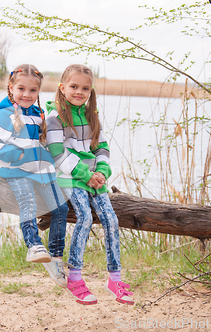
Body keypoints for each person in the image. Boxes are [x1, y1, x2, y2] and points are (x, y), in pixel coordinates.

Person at [45, 64, 134, 305]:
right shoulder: (55, 117)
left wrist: (102, 170)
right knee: (84, 217)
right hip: (71, 176)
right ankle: (75, 277)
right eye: (74, 87)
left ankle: (114, 279)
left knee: (111, 220)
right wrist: (86, 174)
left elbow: (101, 147)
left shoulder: (90, 115)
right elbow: (57, 153)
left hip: (94, 178)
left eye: (85, 88)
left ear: (91, 91)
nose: (79, 92)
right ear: (62, 88)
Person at [0, 64, 68, 287]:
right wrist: (17, 155)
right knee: (28, 203)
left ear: (38, 92)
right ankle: (34, 246)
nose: (27, 95)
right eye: (21, 89)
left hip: (42, 171)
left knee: (61, 208)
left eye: (33, 91)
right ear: (11, 88)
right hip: (17, 170)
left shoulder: (38, 115)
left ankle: (56, 257)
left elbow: (41, 141)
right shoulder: (3, 114)